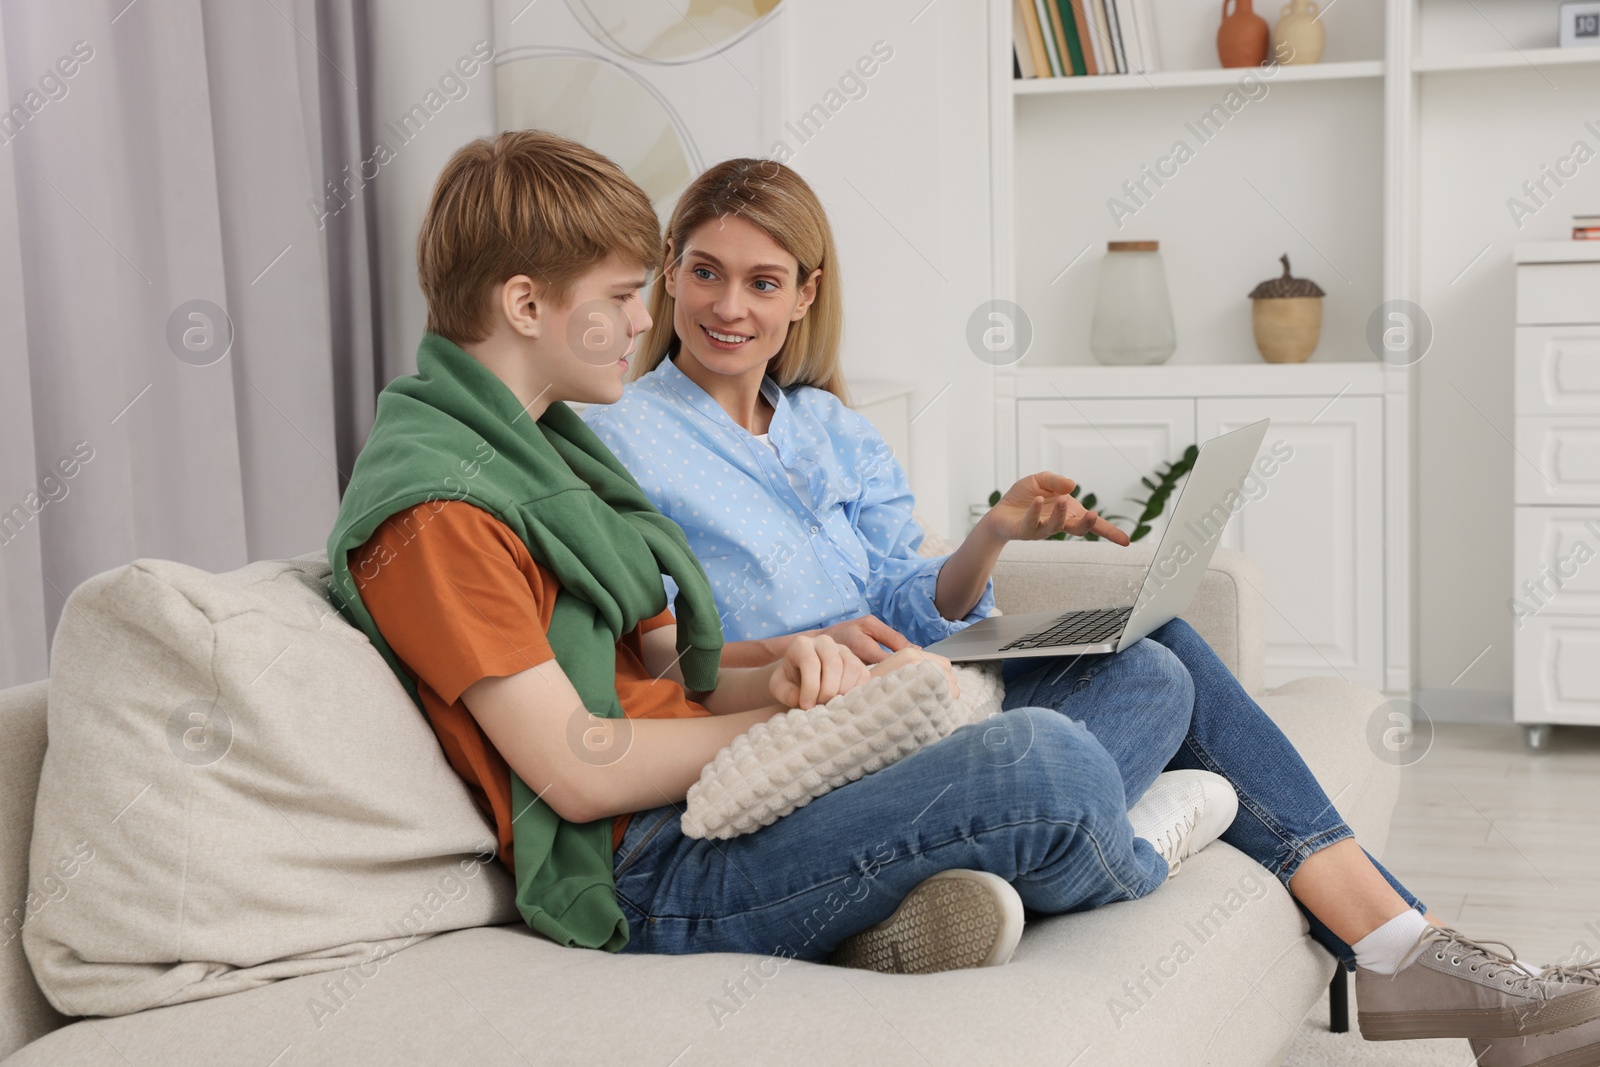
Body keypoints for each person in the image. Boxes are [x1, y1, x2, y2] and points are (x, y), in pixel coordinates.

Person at [581, 155, 1600, 1054]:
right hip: (803, 739)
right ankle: (1384, 938)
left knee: (1153, 662)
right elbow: (661, 655)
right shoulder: (625, 433)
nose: (729, 307)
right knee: (1057, 755)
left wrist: (991, 534)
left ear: (804, 295)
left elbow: (909, 601)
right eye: (705, 271)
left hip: (916, 698)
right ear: (668, 271)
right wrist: (802, 639)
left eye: (762, 282)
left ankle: (1401, 944)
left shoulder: (829, 426)